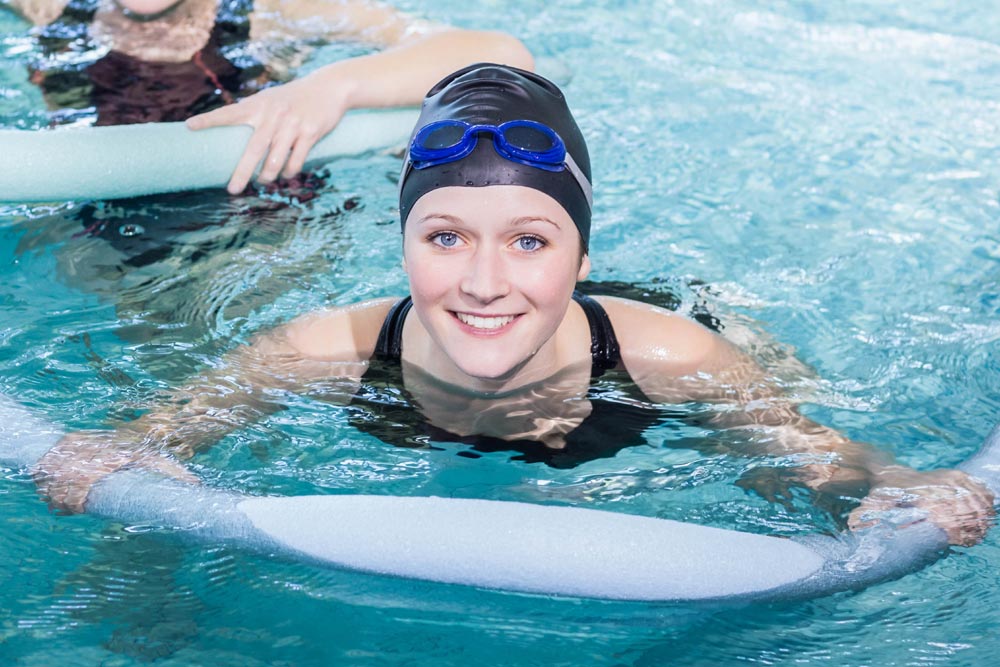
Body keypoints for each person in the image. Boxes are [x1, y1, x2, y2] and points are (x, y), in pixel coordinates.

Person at [34, 63, 995, 547]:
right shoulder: (314, 350)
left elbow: (806, 450)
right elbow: (153, 438)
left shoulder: (675, 358)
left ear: (581, 249)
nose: (484, 281)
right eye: (444, 236)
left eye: (530, 240)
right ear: (402, 242)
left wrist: (899, 479)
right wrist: (113, 456)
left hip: (644, 334)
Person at [6, 0, 534, 192]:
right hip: (91, 218)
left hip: (250, 225)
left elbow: (500, 51)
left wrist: (333, 85)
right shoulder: (50, 7)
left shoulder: (272, 12)